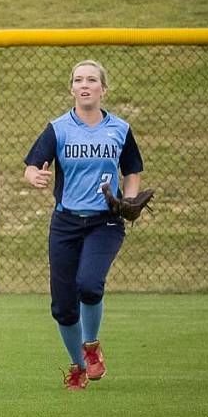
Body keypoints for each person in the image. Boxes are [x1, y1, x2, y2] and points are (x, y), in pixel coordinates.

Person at [23, 59, 145, 391]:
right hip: (65, 222)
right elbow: (32, 166)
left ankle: (91, 348)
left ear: (103, 89)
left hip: (105, 220)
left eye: (92, 79)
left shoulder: (119, 128)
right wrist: (36, 175)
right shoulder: (58, 128)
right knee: (63, 305)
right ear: (72, 89)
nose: (85, 84)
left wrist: (130, 199)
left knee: (89, 284)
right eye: (79, 80)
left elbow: (132, 168)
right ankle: (77, 366)